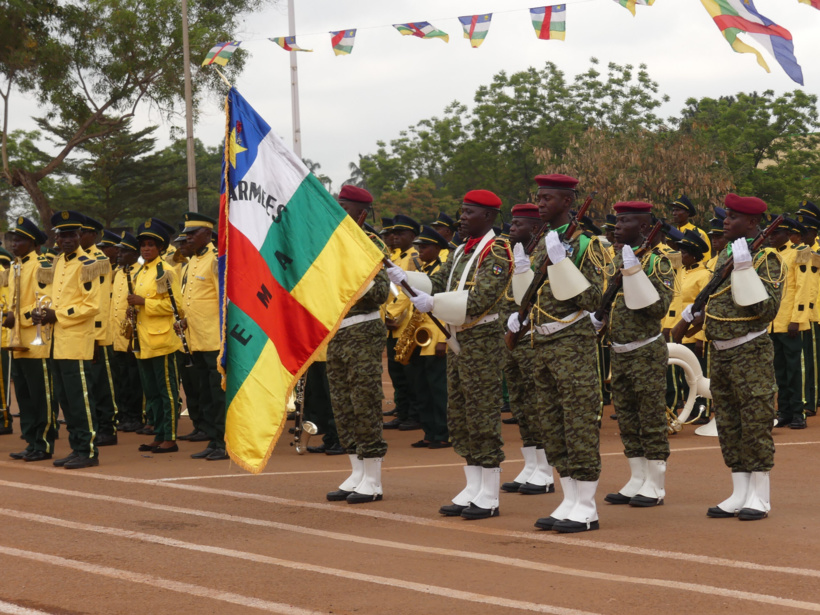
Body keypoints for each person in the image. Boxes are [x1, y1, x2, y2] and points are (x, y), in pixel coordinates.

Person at [389, 189, 513, 520]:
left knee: (482, 413)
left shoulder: (498, 251)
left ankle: (489, 492)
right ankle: (473, 486)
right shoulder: (460, 251)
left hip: (482, 339)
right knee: (460, 413)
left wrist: (436, 303)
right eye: (462, 210)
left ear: (487, 217)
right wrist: (406, 279)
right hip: (459, 338)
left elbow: (483, 298)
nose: (462, 217)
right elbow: (436, 283)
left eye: (469, 212)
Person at [509, 174, 608, 533]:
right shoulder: (541, 244)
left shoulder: (586, 245)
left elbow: (595, 299)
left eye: (547, 198)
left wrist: (563, 264)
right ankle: (569, 497)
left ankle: (586, 505)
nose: (540, 204)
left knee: (578, 423)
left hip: (572, 344)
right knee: (553, 425)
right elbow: (531, 296)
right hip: (542, 344)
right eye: (538, 197)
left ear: (568, 202)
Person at [678, 193, 783, 521]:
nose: (725, 221)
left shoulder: (766, 259)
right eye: (726, 215)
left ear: (752, 223)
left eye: (733, 216)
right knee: (729, 423)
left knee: (754, 422)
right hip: (720, 352)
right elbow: (716, 299)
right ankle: (739, 491)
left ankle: (760, 496)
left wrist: (745, 270)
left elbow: (766, 310)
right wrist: (695, 314)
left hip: (749, 350)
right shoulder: (726, 252)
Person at [595, 202, 674, 508]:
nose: (616, 225)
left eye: (624, 221)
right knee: (627, 416)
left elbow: (657, 308)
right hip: (619, 351)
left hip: (645, 350)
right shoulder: (616, 257)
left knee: (650, 416)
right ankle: (636, 477)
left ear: (643, 227)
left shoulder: (658, 262)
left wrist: (635, 272)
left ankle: (655, 483)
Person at [325, 185, 390, 504]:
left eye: (345, 208)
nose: (338, 213)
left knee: (364, 403)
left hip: (362, 331)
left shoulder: (371, 245)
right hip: (336, 333)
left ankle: (373, 477)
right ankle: (356, 470)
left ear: (361, 214)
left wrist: (347, 281)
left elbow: (380, 292)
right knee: (343, 405)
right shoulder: (331, 244)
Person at [33, 210, 101, 469]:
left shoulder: (89, 265)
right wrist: (41, 312)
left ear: (81, 235)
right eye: (62, 235)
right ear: (57, 238)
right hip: (55, 343)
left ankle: (89, 451)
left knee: (80, 399)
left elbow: (92, 305)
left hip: (75, 342)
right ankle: (77, 447)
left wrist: (57, 314)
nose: (67, 240)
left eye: (72, 234)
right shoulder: (59, 263)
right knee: (66, 400)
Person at [500, 203, 555, 496]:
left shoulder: (546, 252)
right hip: (513, 338)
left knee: (537, 403)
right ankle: (531, 464)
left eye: (518, 224)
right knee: (521, 402)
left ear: (534, 228)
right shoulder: (516, 254)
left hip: (533, 338)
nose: (511, 229)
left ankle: (545, 470)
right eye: (511, 223)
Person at [176, 213, 228, 461]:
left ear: (207, 234)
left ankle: (224, 442)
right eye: (186, 233)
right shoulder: (189, 264)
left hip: (213, 339)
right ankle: (213, 439)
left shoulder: (216, 260)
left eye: (192, 233)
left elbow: (223, 301)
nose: (188, 238)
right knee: (205, 393)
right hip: (195, 339)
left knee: (218, 394)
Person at [128, 219, 183, 454]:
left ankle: (170, 437)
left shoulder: (165, 271)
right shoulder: (141, 271)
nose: (146, 249)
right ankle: (158, 434)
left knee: (167, 393)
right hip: (143, 340)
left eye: (151, 245)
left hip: (162, 340)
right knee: (151, 393)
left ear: (160, 248)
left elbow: (175, 308)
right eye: (143, 245)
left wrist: (144, 303)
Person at [5, 217, 55, 461]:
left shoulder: (41, 265)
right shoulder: (15, 266)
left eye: (21, 240)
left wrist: (19, 316)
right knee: (23, 394)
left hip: (37, 341)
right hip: (17, 341)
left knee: (40, 394)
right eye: (14, 240)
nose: (15, 244)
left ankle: (44, 443)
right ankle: (31, 440)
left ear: (33, 243)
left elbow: (45, 300)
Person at [405, 225, 450, 449]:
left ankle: (443, 432)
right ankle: (429, 432)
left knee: (438, 389)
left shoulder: (442, 271)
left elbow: (445, 304)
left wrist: (443, 339)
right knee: (422, 388)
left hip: (436, 336)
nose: (419, 251)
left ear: (437, 248)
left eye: (424, 247)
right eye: (418, 247)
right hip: (420, 337)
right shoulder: (424, 271)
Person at [767, 216, 812, 430]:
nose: (771, 237)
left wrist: (797, 319)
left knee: (795, 369)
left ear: (787, 234)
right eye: (770, 234)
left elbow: (803, 288)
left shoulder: (799, 254)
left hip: (790, 321)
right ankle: (784, 411)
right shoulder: (769, 255)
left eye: (775, 234)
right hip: (773, 322)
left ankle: (798, 412)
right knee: (779, 370)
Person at [80, 216, 118, 447]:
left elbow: (102, 301)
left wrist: (96, 334)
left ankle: (108, 427)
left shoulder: (98, 260)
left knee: (102, 384)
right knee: (88, 384)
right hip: (76, 333)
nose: (77, 237)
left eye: (82, 233)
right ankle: (93, 425)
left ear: (93, 235)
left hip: (97, 334)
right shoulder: (72, 259)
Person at [383, 214, 422, 432]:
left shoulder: (413, 258)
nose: (395, 238)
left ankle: (413, 415)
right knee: (397, 373)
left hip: (405, 323)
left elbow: (409, 291)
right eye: (394, 234)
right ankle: (403, 411)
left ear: (413, 236)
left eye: (401, 234)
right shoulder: (398, 257)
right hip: (393, 325)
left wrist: (391, 314)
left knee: (409, 374)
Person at [109, 232, 144, 433]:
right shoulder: (118, 272)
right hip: (117, 335)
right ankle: (124, 415)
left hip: (133, 336)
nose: (119, 253)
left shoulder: (139, 271)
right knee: (121, 379)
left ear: (133, 253)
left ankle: (135, 416)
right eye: (119, 250)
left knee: (134, 380)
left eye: (123, 251)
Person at [669, 194, 711, 262]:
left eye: (677, 210)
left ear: (687, 213)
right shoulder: (671, 234)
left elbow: (706, 261)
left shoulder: (698, 233)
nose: (674, 213)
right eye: (673, 210)